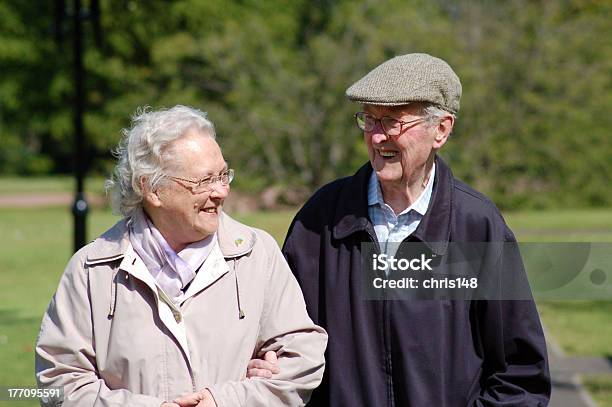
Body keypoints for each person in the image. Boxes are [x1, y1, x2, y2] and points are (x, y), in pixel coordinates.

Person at [249, 53, 551, 405]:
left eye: (392, 122)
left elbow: (520, 376)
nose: (377, 138)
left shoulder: (476, 226)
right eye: (370, 120)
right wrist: (270, 361)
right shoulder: (321, 219)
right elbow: (281, 336)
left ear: (441, 129)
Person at [35, 105, 327, 406]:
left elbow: (301, 356)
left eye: (223, 176)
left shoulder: (257, 254)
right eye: (203, 181)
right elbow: (58, 381)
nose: (221, 192)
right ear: (152, 189)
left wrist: (226, 401)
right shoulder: (92, 268)